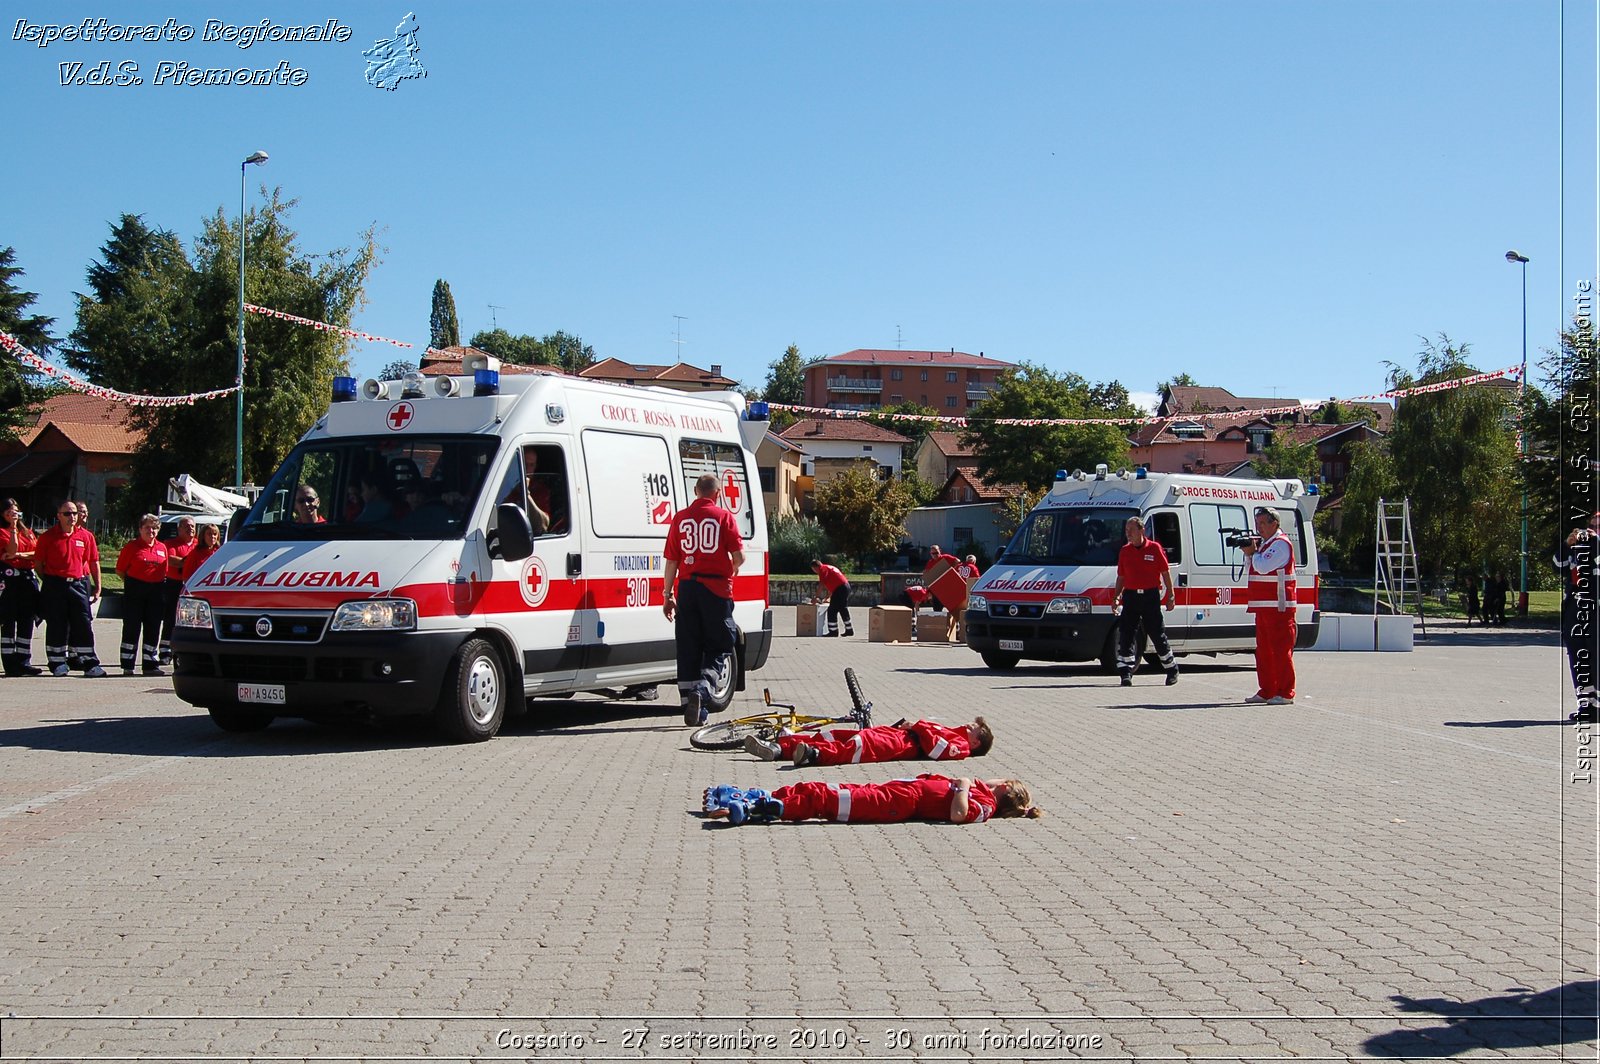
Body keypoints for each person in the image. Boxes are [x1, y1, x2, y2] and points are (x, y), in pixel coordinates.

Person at [663, 472, 745, 726]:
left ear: (696, 491)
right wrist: (734, 567)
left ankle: (691, 707)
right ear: (718, 494)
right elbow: (739, 555)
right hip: (716, 590)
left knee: (688, 646)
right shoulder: (723, 517)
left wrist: (668, 595)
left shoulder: (680, 519)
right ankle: (703, 687)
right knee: (720, 645)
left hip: (687, 588)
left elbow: (671, 561)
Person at [701, 774, 1042, 826]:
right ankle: (767, 796)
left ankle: (763, 809)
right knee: (827, 788)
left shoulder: (986, 805)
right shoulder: (984, 790)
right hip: (900, 791)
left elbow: (958, 815)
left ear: (1006, 788)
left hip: (901, 804)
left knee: (832, 803)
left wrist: (963, 786)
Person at [744, 716, 993, 766]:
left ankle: (812, 755)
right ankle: (778, 748)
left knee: (855, 748)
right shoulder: (953, 730)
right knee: (836, 735)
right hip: (897, 735)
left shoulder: (960, 748)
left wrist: (919, 726)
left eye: (975, 729)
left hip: (903, 746)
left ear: (975, 744)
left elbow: (937, 750)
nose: (970, 725)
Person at [35, 500, 105, 677]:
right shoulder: (48, 537)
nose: (72, 517)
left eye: (74, 513)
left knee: (82, 623)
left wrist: (98, 586)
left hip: (78, 584)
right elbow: (38, 565)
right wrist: (52, 580)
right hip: (55, 584)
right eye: (67, 513)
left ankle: (89, 662)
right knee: (56, 623)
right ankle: (57, 662)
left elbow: (93, 561)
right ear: (59, 516)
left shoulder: (86, 536)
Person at [1112, 516, 1178, 687]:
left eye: (1131, 530)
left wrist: (1171, 595)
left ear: (1142, 530)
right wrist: (1117, 596)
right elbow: (1121, 576)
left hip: (1150, 596)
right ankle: (1126, 672)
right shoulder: (1125, 551)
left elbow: (1165, 572)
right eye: (1127, 531)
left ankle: (1171, 669)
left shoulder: (1155, 549)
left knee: (1157, 634)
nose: (1128, 534)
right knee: (1126, 634)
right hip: (1131, 596)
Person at [1240, 507, 1296, 705]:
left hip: (1279, 606)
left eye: (1263, 523)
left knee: (1280, 650)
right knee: (1263, 651)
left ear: (1275, 523)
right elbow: (1253, 567)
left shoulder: (1280, 544)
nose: (1259, 527)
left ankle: (1285, 692)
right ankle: (1268, 690)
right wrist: (1250, 555)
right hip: (1264, 607)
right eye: (1257, 523)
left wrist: (1252, 553)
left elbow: (1262, 567)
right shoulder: (1266, 545)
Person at [1555, 512, 1600, 724]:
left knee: (1596, 651)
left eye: (1598, 526)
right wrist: (1567, 544)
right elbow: (1558, 566)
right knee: (1577, 653)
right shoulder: (1579, 549)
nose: (1592, 529)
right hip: (1576, 604)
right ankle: (1587, 703)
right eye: (1591, 525)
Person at [115, 515, 169, 676]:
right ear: (140, 529)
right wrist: (135, 583)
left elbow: (164, 571)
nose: (151, 531)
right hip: (135, 591)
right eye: (147, 527)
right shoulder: (132, 547)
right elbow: (120, 570)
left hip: (156, 591)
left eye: (154, 528)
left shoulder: (162, 547)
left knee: (153, 628)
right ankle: (127, 664)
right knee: (132, 628)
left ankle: (150, 664)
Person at [0, 497, 42, 676]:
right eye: (9, 512)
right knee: (9, 620)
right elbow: (10, 551)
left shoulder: (29, 532)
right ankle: (10, 663)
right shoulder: (3, 531)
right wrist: (13, 530)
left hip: (27, 579)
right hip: (10, 580)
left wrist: (20, 555)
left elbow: (37, 553)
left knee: (27, 619)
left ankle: (24, 660)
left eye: (15, 511)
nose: (13, 514)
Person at [158, 516, 197, 665]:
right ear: (179, 528)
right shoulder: (170, 543)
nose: (190, 529)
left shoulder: (197, 544)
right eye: (186, 526)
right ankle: (165, 650)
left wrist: (183, 561)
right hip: (174, 584)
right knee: (170, 618)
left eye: (192, 526)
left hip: (192, 586)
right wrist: (186, 561)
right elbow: (170, 559)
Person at [810, 558, 853, 637]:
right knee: (842, 608)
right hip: (844, 587)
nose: (814, 572)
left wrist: (816, 597)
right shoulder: (828, 567)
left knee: (832, 610)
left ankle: (833, 631)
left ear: (815, 567)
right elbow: (834, 583)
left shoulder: (822, 570)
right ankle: (849, 629)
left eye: (813, 570)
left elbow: (821, 584)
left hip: (840, 589)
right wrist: (828, 597)